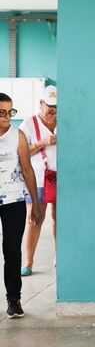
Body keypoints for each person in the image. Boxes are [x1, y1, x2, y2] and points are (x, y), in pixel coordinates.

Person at [0, 93, 41, 319]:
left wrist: (34, 202)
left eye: (10, 112)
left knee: (12, 250)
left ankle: (14, 300)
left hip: (14, 200)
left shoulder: (19, 136)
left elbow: (27, 170)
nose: (7, 117)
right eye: (2, 112)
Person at [19, 86, 57, 276]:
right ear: (41, 103)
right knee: (35, 219)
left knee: (60, 219)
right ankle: (28, 262)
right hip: (38, 179)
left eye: (56, 107)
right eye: (49, 106)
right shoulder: (28, 124)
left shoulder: (64, 122)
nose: (52, 111)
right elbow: (21, 154)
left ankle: (60, 258)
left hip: (61, 178)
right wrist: (43, 143)